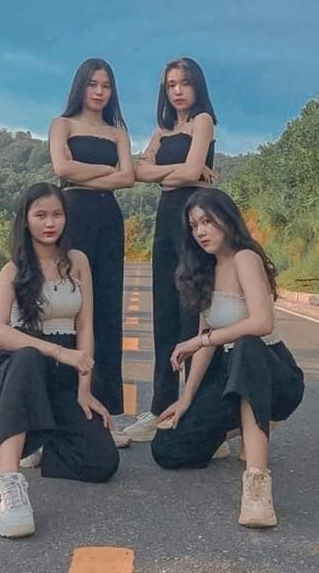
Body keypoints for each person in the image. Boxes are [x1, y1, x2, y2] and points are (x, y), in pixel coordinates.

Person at [150, 188, 304, 528]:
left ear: (227, 219)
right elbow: (207, 344)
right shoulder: (204, 269)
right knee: (167, 450)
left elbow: (262, 323)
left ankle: (257, 484)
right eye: (194, 226)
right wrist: (186, 399)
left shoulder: (245, 259)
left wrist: (201, 338)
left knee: (246, 344)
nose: (201, 231)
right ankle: (239, 423)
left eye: (207, 221)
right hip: (228, 375)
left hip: (271, 370)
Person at [0, 183, 119, 538]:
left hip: (66, 375)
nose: (49, 223)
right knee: (28, 355)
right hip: (19, 374)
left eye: (56, 214)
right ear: (25, 220)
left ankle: (46, 437)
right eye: (40, 215)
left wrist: (85, 388)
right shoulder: (12, 270)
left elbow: (85, 327)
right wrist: (56, 351)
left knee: (103, 462)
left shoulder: (78, 262)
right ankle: (7, 480)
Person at [123, 57, 216, 442]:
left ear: (197, 87)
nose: (177, 90)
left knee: (192, 315)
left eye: (184, 83)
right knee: (162, 312)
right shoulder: (163, 130)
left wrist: (161, 172)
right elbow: (136, 172)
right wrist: (170, 174)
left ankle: (196, 409)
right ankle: (160, 407)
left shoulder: (203, 122)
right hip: (165, 220)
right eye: (170, 85)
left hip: (194, 219)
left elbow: (194, 173)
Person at [48, 58, 134, 447]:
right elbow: (62, 169)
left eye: (106, 85)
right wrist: (106, 172)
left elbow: (129, 177)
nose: (100, 92)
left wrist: (91, 172)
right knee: (66, 308)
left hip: (108, 220)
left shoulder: (118, 133)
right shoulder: (62, 125)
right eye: (93, 84)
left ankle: (104, 417)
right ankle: (52, 415)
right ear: (80, 86)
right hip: (73, 217)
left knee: (105, 313)